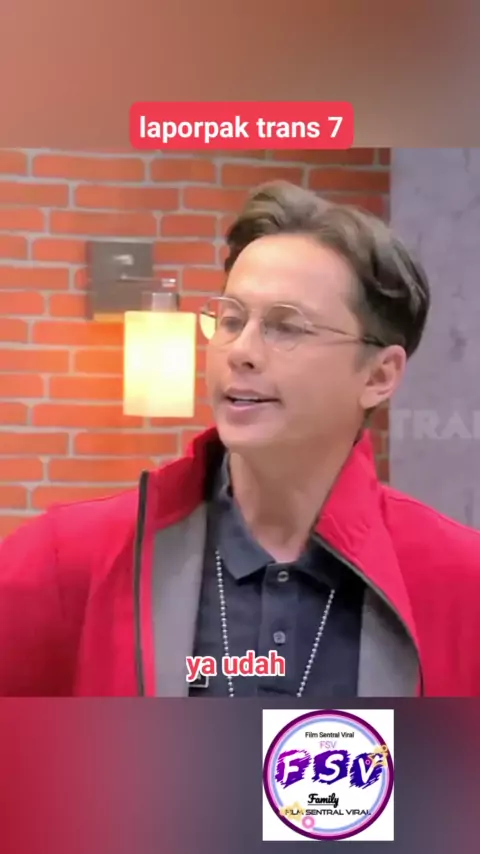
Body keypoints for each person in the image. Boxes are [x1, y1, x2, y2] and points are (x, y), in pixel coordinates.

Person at [1, 180, 480, 698]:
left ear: (379, 375)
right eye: (230, 320)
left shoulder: (460, 584)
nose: (240, 351)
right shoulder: (68, 561)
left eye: (286, 327)